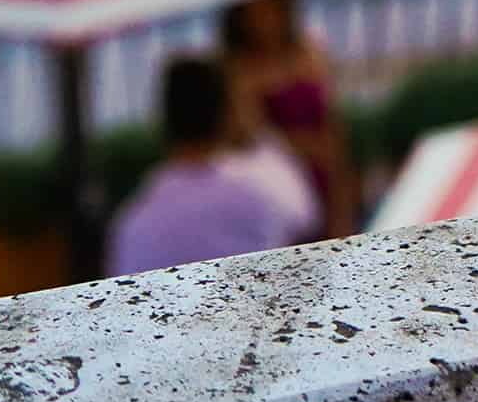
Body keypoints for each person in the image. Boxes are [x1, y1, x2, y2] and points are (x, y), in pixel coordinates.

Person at [105, 56, 318, 277]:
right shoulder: (260, 197)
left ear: (164, 121)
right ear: (226, 115)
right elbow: (305, 216)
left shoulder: (133, 222)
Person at [222, 0, 359, 238]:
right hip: (279, 185)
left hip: (325, 176)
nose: (265, 19)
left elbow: (333, 126)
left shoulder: (310, 51)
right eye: (256, 11)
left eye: (270, 7)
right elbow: (254, 138)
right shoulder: (238, 69)